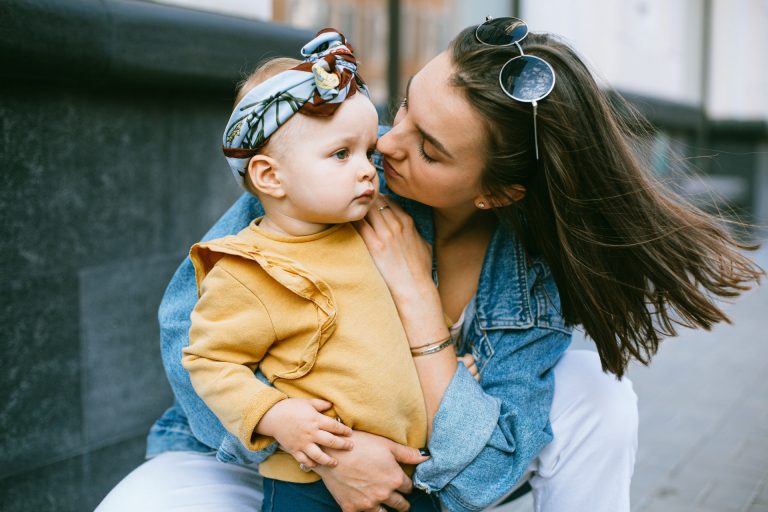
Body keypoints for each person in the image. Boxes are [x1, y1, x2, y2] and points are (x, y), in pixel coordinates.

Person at [97, 17, 763, 512]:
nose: (386, 144)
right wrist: (327, 453)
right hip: (261, 453)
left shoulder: (523, 279)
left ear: (497, 192)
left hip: (423, 480)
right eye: (407, 103)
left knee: (599, 395)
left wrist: (417, 298)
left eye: (431, 149)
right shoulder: (335, 183)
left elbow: (485, 477)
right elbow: (189, 335)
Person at [177, 28, 443, 512]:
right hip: (311, 486)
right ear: (269, 177)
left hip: (406, 473)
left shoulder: (372, 233)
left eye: (367, 151)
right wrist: (274, 415)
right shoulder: (251, 268)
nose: (367, 169)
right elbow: (208, 361)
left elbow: (383, 335)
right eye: (341, 154)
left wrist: (445, 369)